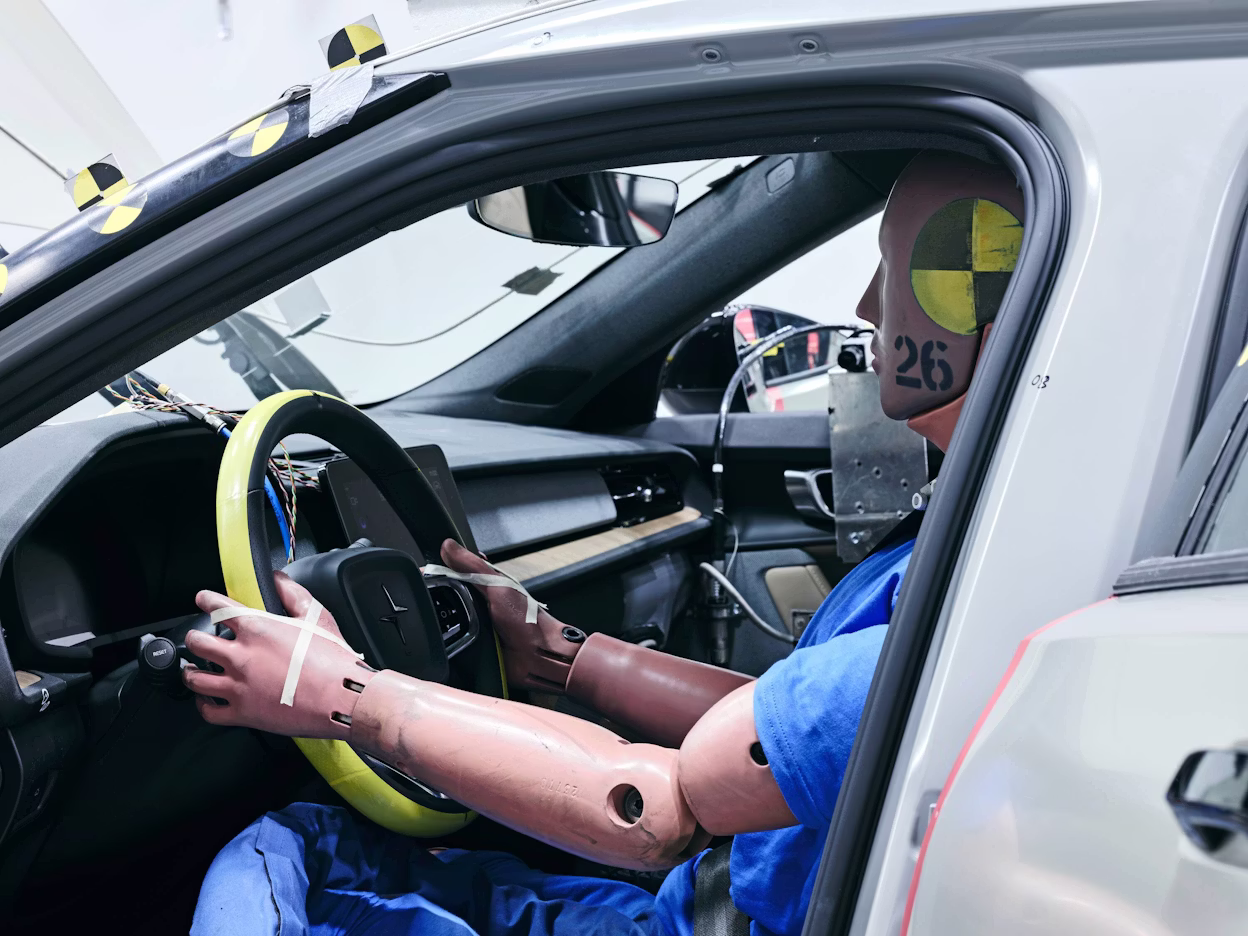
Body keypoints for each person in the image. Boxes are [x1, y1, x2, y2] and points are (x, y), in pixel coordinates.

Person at [187, 150, 1025, 936]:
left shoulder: (986, 605)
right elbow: (781, 727)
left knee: (286, 856)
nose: (870, 305)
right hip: (721, 897)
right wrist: (562, 655)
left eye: (896, 266)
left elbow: (647, 809)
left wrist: (340, 693)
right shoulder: (1001, 544)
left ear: (969, 302)